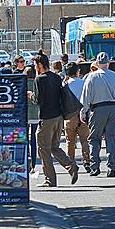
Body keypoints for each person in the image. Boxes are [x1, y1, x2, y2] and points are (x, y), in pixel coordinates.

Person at [32, 54, 79, 187]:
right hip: (59, 116)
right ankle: (70, 165)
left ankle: (50, 179)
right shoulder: (56, 77)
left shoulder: (39, 79)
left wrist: (31, 95)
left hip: (46, 117)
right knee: (54, 147)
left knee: (43, 148)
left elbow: (38, 100)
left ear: (40, 65)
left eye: (36, 65)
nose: (35, 68)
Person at [80, 52, 115, 177]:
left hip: (97, 109)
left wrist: (84, 111)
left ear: (97, 63)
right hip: (114, 108)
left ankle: (94, 166)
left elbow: (85, 97)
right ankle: (112, 166)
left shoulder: (91, 77)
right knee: (112, 137)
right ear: (108, 63)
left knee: (94, 138)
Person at [62, 62, 91, 172]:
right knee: (85, 140)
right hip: (82, 114)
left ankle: (71, 162)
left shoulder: (65, 84)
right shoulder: (84, 83)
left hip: (70, 116)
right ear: (77, 71)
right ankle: (87, 161)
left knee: (70, 141)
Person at [25, 66, 39, 170]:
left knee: (25, 138)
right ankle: (34, 162)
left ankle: (27, 159)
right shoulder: (37, 82)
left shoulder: (23, 83)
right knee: (33, 137)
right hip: (36, 114)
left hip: (25, 114)